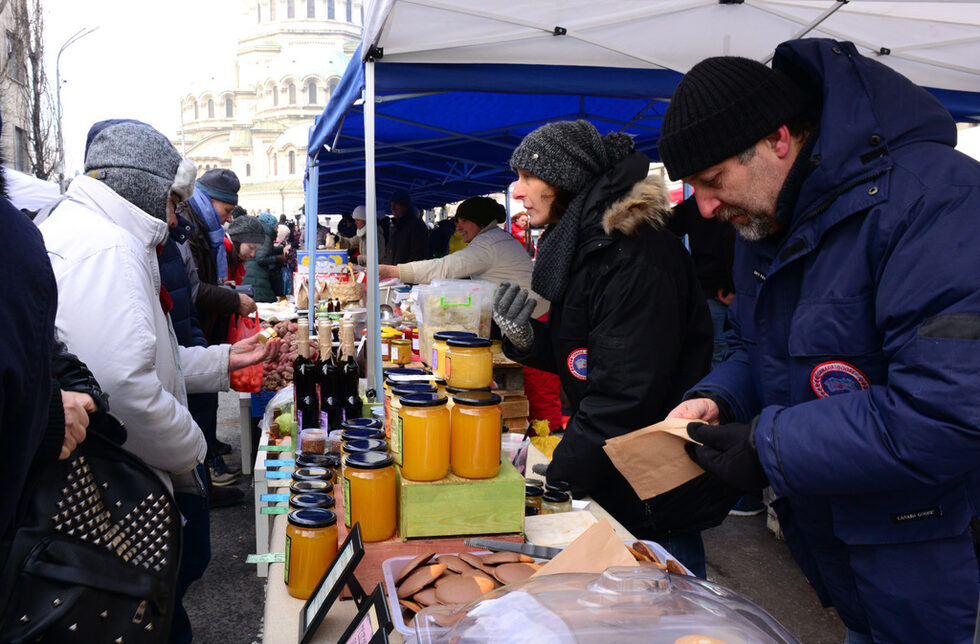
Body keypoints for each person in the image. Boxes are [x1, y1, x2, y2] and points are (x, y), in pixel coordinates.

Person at [658, 40, 980, 642]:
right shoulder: (767, 221)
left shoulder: (936, 201)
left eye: (712, 180)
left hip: (920, 539)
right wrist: (720, 398)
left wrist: (768, 445)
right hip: (831, 530)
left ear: (778, 140)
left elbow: (948, 409)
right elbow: (757, 347)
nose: (702, 207)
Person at [36, 120, 281, 643]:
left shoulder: (103, 236)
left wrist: (223, 359)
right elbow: (123, 386)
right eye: (173, 203)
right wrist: (193, 450)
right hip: (124, 481)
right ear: (144, 187)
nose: (175, 218)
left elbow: (149, 358)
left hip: (120, 472)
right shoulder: (108, 248)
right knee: (152, 607)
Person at [493, 120, 733, 577]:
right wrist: (526, 341)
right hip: (616, 463)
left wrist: (560, 477)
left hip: (653, 480)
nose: (517, 191)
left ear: (564, 179)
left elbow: (623, 394)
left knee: (667, 597)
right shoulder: (587, 244)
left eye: (527, 176)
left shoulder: (634, 255)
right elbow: (586, 354)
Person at [242, 213, 286, 302]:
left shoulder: (259, 234)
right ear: (270, 226)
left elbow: (265, 250)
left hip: (252, 276)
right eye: (276, 225)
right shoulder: (265, 237)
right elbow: (261, 258)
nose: (277, 228)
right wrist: (278, 259)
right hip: (257, 280)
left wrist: (281, 249)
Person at [383, 190, 429, 263]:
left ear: (405, 206)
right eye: (391, 205)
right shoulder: (395, 225)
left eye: (396, 204)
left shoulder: (416, 225)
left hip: (405, 269)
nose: (393, 208)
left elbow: (418, 256)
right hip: (393, 268)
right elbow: (390, 251)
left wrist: (400, 269)